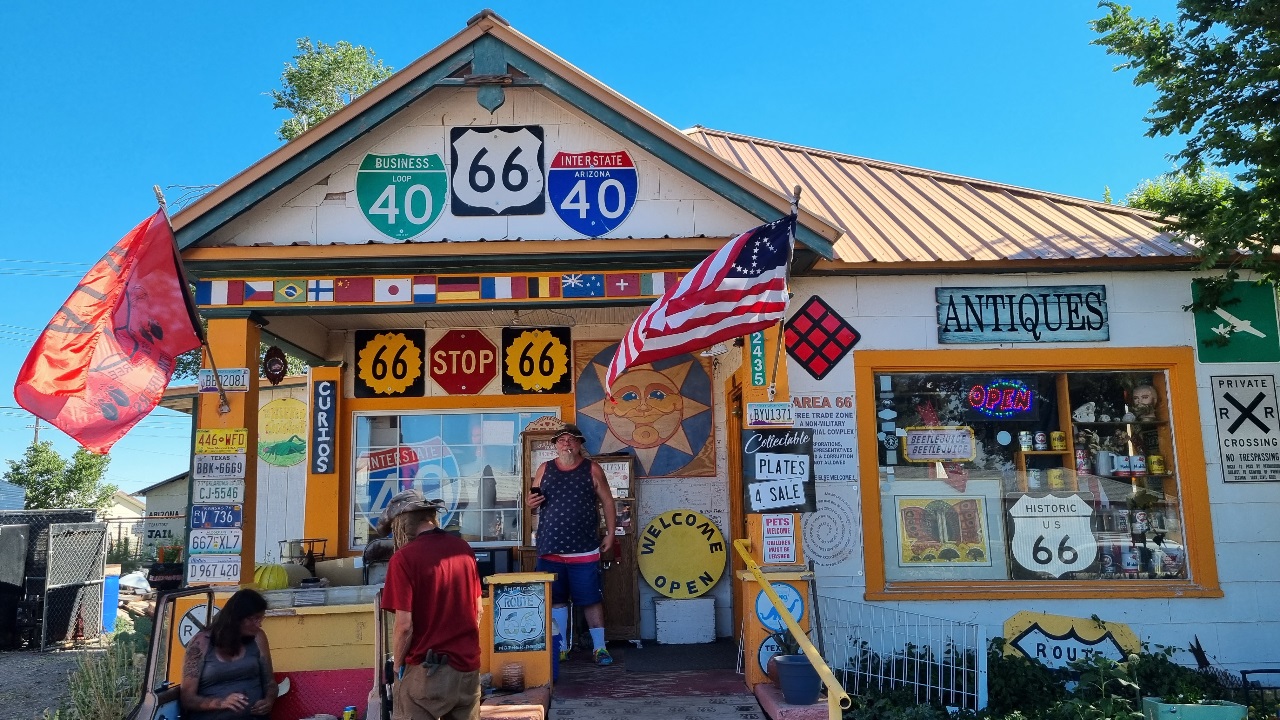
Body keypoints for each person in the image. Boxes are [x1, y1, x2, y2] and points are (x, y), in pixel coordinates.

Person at [381, 489, 483, 720]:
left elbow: (404, 626)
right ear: (431, 518)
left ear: (401, 524)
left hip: (427, 671)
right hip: (467, 671)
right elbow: (478, 611)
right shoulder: (463, 549)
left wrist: (397, 666)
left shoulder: (404, 558)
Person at [525, 423, 617, 665]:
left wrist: (610, 534)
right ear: (555, 445)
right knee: (556, 599)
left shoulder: (592, 469)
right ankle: (562, 647)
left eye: (572, 439)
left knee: (590, 598)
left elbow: (608, 502)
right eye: (561, 439)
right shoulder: (544, 468)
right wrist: (530, 501)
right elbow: (532, 501)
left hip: (585, 547)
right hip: (550, 544)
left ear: (579, 445)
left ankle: (600, 648)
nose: (566, 443)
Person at [181, 588, 277, 719]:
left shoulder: (258, 637)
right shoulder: (201, 642)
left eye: (261, 618)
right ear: (237, 618)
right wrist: (220, 703)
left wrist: (268, 701)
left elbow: (270, 683)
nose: (259, 624)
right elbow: (187, 698)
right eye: (254, 619)